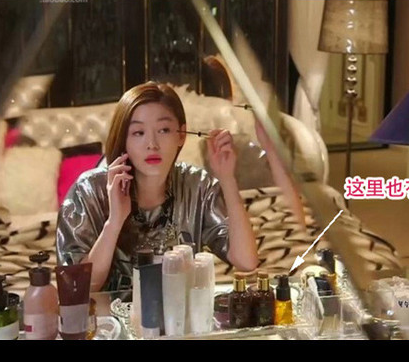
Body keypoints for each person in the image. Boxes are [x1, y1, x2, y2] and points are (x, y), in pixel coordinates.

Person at [57, 81, 259, 291]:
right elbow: (77, 288)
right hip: (109, 313)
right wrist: (114, 221)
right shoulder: (88, 190)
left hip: (179, 310)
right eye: (138, 132)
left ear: (181, 135)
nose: (152, 144)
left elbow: (246, 261)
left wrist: (227, 178)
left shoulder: (197, 186)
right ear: (123, 139)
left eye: (163, 130)